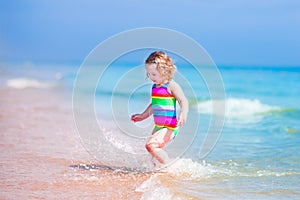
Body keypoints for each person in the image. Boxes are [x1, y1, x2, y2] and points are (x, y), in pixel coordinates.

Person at [131, 51, 189, 166]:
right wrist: (143, 115)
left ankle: (168, 167)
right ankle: (156, 169)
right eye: (149, 74)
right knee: (153, 154)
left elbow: (183, 100)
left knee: (150, 145)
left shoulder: (171, 85)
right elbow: (154, 105)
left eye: (153, 74)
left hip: (169, 127)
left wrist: (183, 113)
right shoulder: (155, 87)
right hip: (158, 126)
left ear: (164, 71)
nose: (151, 77)